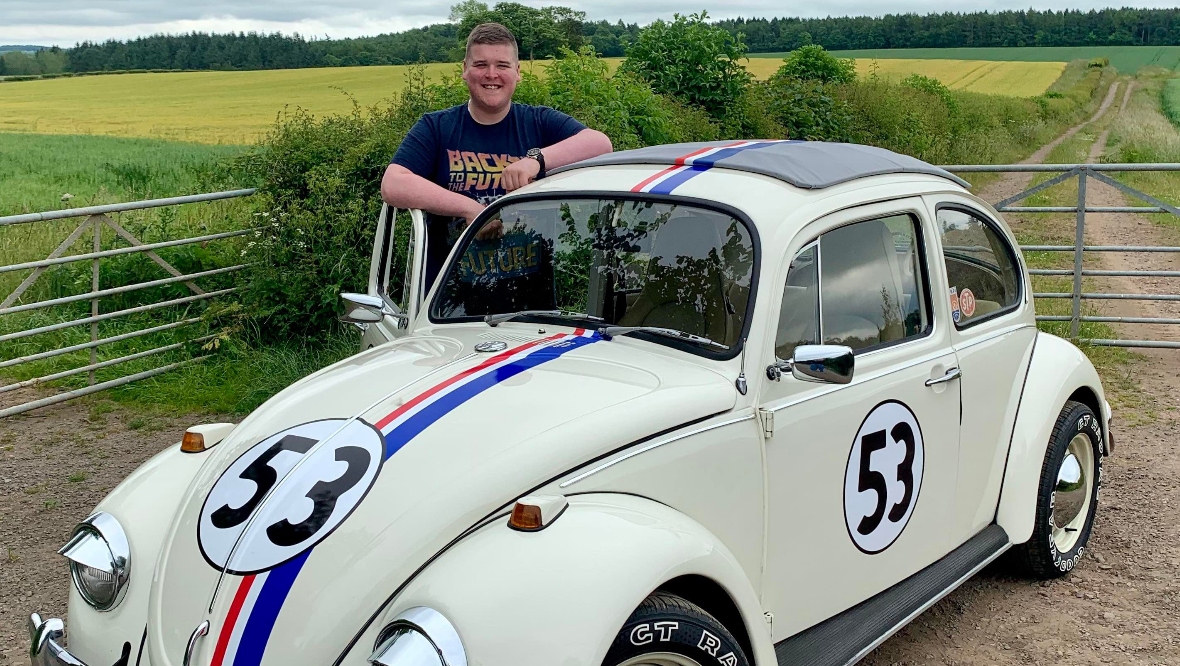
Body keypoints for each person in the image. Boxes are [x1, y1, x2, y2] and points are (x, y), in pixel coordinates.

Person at [381, 22, 613, 290]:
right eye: (481, 65)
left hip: (528, 308)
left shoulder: (538, 122)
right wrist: (473, 212)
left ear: (517, 72)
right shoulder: (436, 127)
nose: (491, 74)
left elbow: (600, 143)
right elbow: (393, 184)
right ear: (464, 71)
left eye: (502, 65)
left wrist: (534, 160)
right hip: (446, 308)